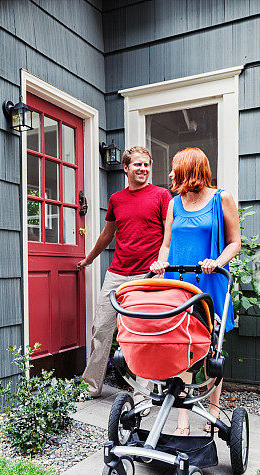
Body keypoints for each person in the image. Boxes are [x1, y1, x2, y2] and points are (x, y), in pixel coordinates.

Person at [150, 147, 241, 435]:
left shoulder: (220, 199)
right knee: (181, 348)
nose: (169, 173)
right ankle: (183, 420)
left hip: (210, 282)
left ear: (189, 170)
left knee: (213, 350)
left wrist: (217, 261)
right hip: (180, 283)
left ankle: (213, 415)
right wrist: (161, 261)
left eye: (174, 167)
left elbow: (235, 242)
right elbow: (166, 243)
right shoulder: (174, 204)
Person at [78, 146, 171, 398]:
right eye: (138, 165)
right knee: (102, 328)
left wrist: (162, 264)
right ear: (126, 168)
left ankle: (142, 392)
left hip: (147, 274)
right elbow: (107, 235)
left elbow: (169, 236)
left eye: (147, 165)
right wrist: (89, 258)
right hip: (117, 273)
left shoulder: (162, 195)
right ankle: (92, 386)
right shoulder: (116, 199)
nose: (143, 169)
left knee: (143, 331)